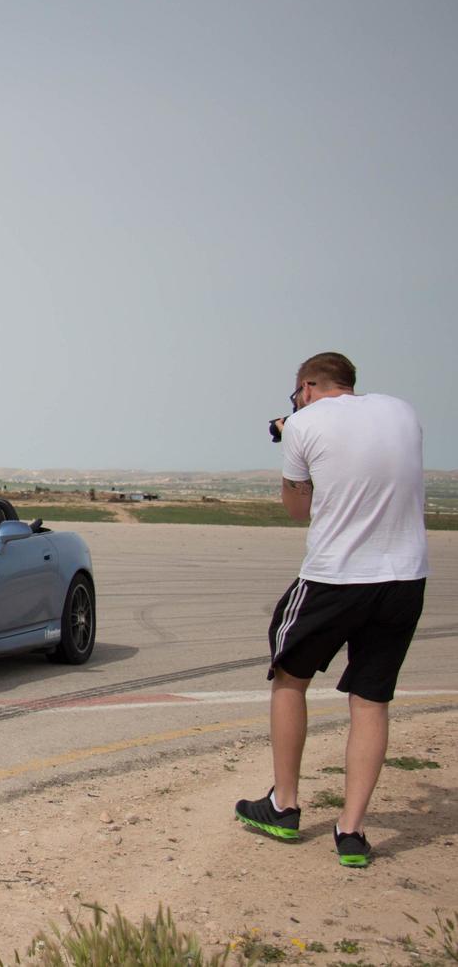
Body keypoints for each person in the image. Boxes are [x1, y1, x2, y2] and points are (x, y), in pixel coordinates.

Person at [235, 352, 429, 867]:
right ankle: (352, 832)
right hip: (405, 577)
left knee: (289, 678)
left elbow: (299, 509)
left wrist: (290, 433)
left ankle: (284, 804)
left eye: (297, 393)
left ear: (308, 385)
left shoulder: (304, 422)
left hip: (336, 576)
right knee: (370, 701)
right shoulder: (402, 411)